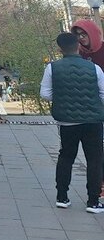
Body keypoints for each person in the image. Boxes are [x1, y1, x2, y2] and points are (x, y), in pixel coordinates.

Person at [40, 32, 104, 213]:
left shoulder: (52, 68)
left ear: (60, 49)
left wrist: (62, 98)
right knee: (94, 159)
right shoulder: (94, 68)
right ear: (78, 46)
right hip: (93, 122)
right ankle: (93, 201)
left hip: (67, 122)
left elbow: (45, 94)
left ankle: (62, 197)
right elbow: (103, 93)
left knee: (66, 157)